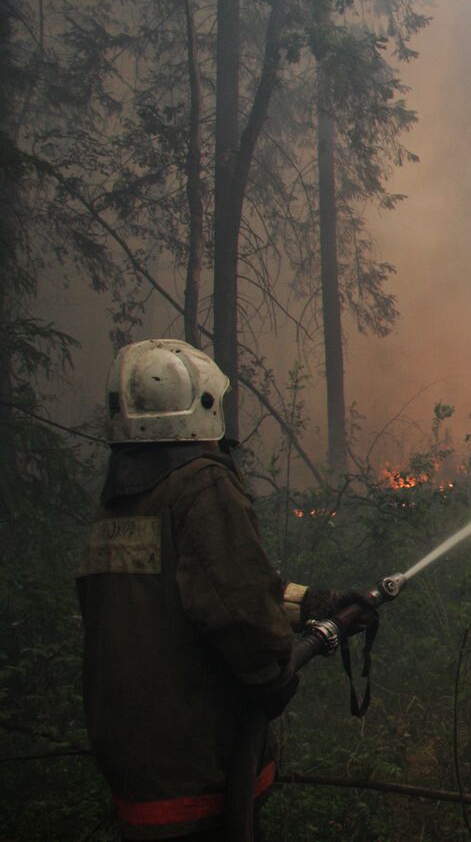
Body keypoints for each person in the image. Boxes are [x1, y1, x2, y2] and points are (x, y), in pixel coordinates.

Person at [77, 339, 372, 840]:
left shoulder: (122, 505)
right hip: (203, 769)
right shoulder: (199, 485)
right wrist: (273, 676)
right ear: (203, 406)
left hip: (139, 774)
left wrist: (314, 604)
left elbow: (190, 593)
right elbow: (237, 608)